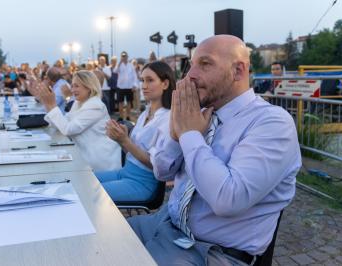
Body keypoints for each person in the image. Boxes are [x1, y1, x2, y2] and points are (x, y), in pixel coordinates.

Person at [128, 35, 301, 266]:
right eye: (191, 65)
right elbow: (162, 171)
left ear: (238, 71)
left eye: (205, 64)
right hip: (166, 223)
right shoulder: (199, 112)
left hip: (210, 251)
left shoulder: (272, 123)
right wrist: (175, 131)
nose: (190, 75)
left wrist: (189, 135)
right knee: (98, 236)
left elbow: (227, 200)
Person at [95, 61, 175, 202]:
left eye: (150, 80)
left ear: (165, 84)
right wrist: (121, 139)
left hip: (143, 183)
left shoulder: (168, 118)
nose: (144, 86)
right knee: (84, 181)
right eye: (142, 80)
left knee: (91, 193)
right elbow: (132, 152)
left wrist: (125, 140)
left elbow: (157, 165)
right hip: (126, 172)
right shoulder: (146, 113)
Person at [28, 70, 121, 171]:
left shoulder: (96, 106)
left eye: (76, 86)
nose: (72, 90)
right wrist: (47, 104)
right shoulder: (79, 103)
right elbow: (63, 122)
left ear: (89, 87)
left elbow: (68, 129)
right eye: (72, 86)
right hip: (86, 156)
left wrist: (52, 105)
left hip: (100, 161)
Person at [116, 51, 136, 120]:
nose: (124, 57)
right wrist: (120, 62)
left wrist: (134, 85)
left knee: (129, 102)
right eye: (123, 56)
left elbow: (134, 75)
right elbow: (115, 71)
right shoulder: (119, 64)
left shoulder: (131, 65)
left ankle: (128, 116)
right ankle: (121, 116)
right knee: (120, 102)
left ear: (127, 57)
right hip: (120, 87)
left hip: (129, 86)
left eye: (125, 56)